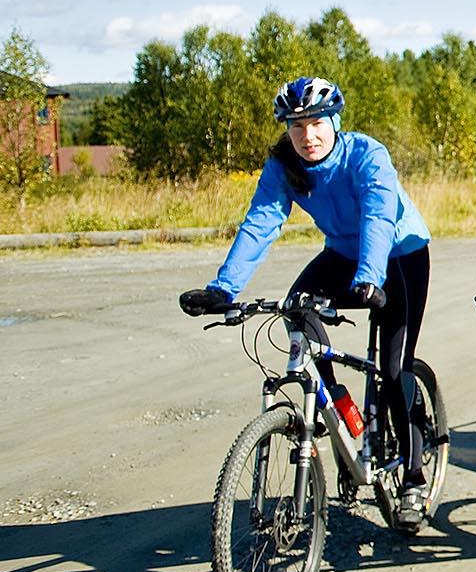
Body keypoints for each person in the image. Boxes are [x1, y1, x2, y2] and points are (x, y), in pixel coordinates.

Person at [178, 77, 435, 526]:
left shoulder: (366, 155)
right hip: (341, 252)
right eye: (296, 126)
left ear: (334, 120)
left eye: (316, 122)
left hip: (399, 253)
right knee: (297, 310)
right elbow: (261, 221)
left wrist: (370, 278)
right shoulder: (284, 165)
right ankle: (338, 411)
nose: (307, 135)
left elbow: (378, 214)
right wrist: (224, 288)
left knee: (395, 368)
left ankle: (413, 479)